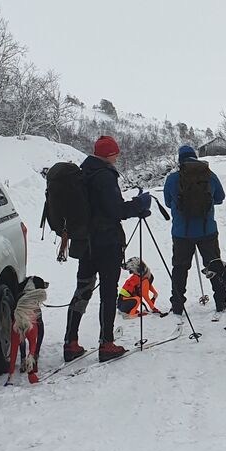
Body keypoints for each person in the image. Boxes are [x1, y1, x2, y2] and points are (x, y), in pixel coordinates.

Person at [64, 136, 152, 362]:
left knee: (82, 289)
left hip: (85, 242)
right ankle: (107, 343)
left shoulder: (84, 172)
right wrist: (139, 205)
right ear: (108, 154)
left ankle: (70, 342)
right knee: (108, 293)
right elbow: (116, 210)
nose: (117, 156)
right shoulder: (104, 175)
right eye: (115, 153)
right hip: (106, 243)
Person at [163, 145, 226, 316]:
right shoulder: (209, 176)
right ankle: (221, 301)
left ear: (179, 160)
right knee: (214, 266)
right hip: (207, 231)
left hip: (181, 233)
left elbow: (168, 202)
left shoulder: (172, 179)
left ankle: (177, 305)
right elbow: (220, 198)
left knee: (180, 268)